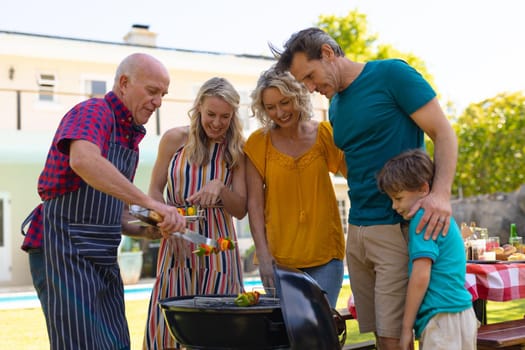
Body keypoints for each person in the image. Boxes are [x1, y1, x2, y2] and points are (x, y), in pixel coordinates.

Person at [272, 27, 458, 349]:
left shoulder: (392, 75)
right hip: (357, 231)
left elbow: (443, 133)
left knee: (394, 338)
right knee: (377, 334)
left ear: (329, 53)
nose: (310, 88)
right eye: (304, 83)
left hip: (393, 226)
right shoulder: (337, 106)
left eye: (310, 76)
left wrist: (439, 194)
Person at [20, 53, 186, 350]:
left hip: (103, 258)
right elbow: (83, 161)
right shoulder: (93, 111)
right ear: (124, 83)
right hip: (63, 249)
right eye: (152, 91)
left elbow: (116, 214)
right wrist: (153, 203)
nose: (158, 101)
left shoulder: (129, 140)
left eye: (163, 94)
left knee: (116, 342)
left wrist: (150, 228)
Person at [142, 77, 247, 350]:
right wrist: (164, 219)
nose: (217, 122)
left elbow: (240, 210)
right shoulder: (174, 139)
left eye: (225, 116)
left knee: (220, 327)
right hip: (177, 238)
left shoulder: (236, 150)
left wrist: (221, 188)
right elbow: (154, 190)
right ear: (198, 107)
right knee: (170, 325)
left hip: (218, 246)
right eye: (211, 114)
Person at [244, 66, 347, 307]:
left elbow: (356, 178)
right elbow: (255, 205)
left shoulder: (325, 134)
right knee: (287, 336)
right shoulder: (258, 143)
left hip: (325, 255)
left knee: (319, 334)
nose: (279, 112)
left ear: (298, 96)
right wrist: (264, 256)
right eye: (270, 107)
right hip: (280, 261)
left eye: (284, 102)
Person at [377, 149, 477, 350]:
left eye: (398, 198)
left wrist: (406, 327)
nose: (394, 206)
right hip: (464, 314)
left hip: (441, 319)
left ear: (423, 188)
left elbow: (421, 276)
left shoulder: (422, 220)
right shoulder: (441, 216)